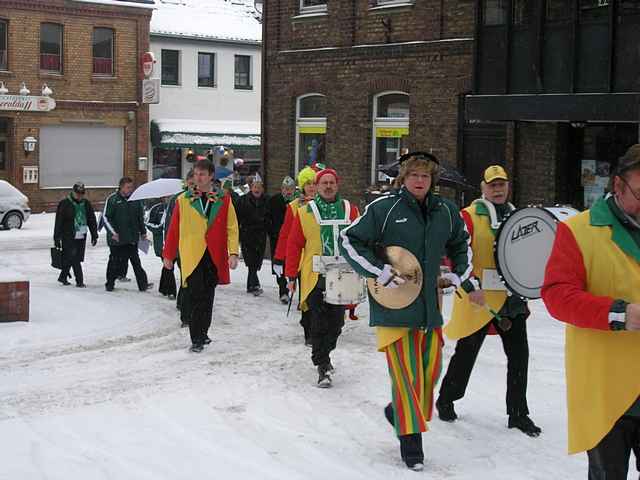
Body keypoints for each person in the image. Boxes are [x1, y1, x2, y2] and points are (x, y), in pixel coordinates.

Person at [340, 152, 475, 471]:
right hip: (394, 306)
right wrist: (377, 271)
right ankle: (411, 442)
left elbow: (461, 244)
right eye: (413, 175)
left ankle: (398, 412)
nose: (419, 181)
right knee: (406, 375)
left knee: (429, 375)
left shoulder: (447, 211)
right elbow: (349, 240)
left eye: (425, 176)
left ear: (433, 181)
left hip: (430, 309)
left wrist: (459, 272)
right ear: (403, 178)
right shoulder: (383, 209)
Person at [542, 144, 640, 479]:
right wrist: (619, 314)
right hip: (606, 389)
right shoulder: (578, 231)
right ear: (617, 186)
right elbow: (557, 296)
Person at [436, 165, 541, 437]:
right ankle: (446, 399)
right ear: (483, 188)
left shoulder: (519, 217)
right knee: (466, 353)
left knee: (520, 356)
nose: (497, 189)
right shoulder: (468, 217)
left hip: (510, 299)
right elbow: (454, 253)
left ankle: (519, 413)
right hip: (478, 297)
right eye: (492, 185)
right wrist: (469, 283)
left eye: (501, 184)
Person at [285, 168, 359, 387]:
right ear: (316, 187)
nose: (328, 186)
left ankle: (325, 354)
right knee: (318, 321)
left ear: (337, 185)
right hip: (315, 273)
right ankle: (322, 365)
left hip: (343, 274)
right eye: (323, 183)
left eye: (331, 182)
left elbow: (361, 239)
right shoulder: (305, 212)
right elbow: (294, 244)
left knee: (336, 323)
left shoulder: (350, 210)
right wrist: (290, 274)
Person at [163, 158, 239, 353]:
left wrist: (233, 253)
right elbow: (174, 230)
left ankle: (203, 333)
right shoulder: (184, 200)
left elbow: (232, 227)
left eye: (202, 174)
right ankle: (196, 337)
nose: (198, 177)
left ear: (211, 176)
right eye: (196, 174)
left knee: (208, 296)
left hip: (213, 255)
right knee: (196, 296)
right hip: (191, 255)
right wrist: (169, 255)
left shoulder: (223, 198)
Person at [273, 166, 320, 345]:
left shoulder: (326, 205)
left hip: (321, 258)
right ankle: (308, 329)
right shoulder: (294, 206)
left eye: (314, 183)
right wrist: (279, 258)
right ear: (302, 185)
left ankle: (320, 328)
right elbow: (285, 234)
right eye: (308, 184)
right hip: (301, 259)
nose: (312, 187)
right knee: (306, 296)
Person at [103, 177, 152, 292]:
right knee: (114, 261)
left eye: (131, 187)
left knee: (136, 262)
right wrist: (113, 233)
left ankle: (143, 285)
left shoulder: (136, 199)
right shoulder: (113, 199)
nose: (130, 189)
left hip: (131, 238)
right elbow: (105, 218)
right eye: (128, 187)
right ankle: (109, 283)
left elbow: (140, 217)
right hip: (117, 239)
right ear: (121, 187)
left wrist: (143, 232)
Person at [53, 181, 98, 287]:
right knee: (74, 257)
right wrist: (56, 237)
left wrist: (94, 234)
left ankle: (63, 277)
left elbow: (91, 220)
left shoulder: (86, 204)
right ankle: (80, 281)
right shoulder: (64, 203)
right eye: (78, 193)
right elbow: (59, 221)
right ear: (73, 192)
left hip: (81, 234)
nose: (79, 196)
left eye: (82, 193)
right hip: (68, 234)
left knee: (72, 257)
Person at [167, 170, 195, 327]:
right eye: (190, 184)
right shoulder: (178, 200)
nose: (193, 187)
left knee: (193, 283)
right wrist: (170, 252)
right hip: (182, 248)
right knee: (187, 281)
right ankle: (185, 316)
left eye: (195, 184)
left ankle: (186, 307)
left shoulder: (205, 199)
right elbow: (171, 228)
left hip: (198, 248)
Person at [235, 173, 269, 296]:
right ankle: (254, 285)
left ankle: (252, 284)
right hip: (247, 234)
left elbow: (270, 216)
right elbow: (236, 218)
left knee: (257, 260)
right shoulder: (242, 201)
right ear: (251, 188)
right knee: (251, 260)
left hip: (260, 234)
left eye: (259, 187)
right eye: (255, 187)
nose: (257, 189)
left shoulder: (267, 200)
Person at [268, 176, 297, 303]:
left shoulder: (298, 202)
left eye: (290, 189)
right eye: (285, 189)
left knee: (294, 264)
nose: (288, 191)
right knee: (279, 265)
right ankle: (283, 291)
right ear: (281, 189)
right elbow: (267, 217)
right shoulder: (274, 201)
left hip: (294, 238)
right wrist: (272, 231)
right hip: (278, 238)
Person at [146, 198, 176, 299]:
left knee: (168, 266)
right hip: (161, 244)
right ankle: (170, 291)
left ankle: (165, 288)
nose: (168, 197)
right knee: (168, 265)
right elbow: (148, 223)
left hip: (176, 243)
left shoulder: (177, 206)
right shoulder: (156, 209)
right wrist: (159, 228)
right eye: (166, 196)